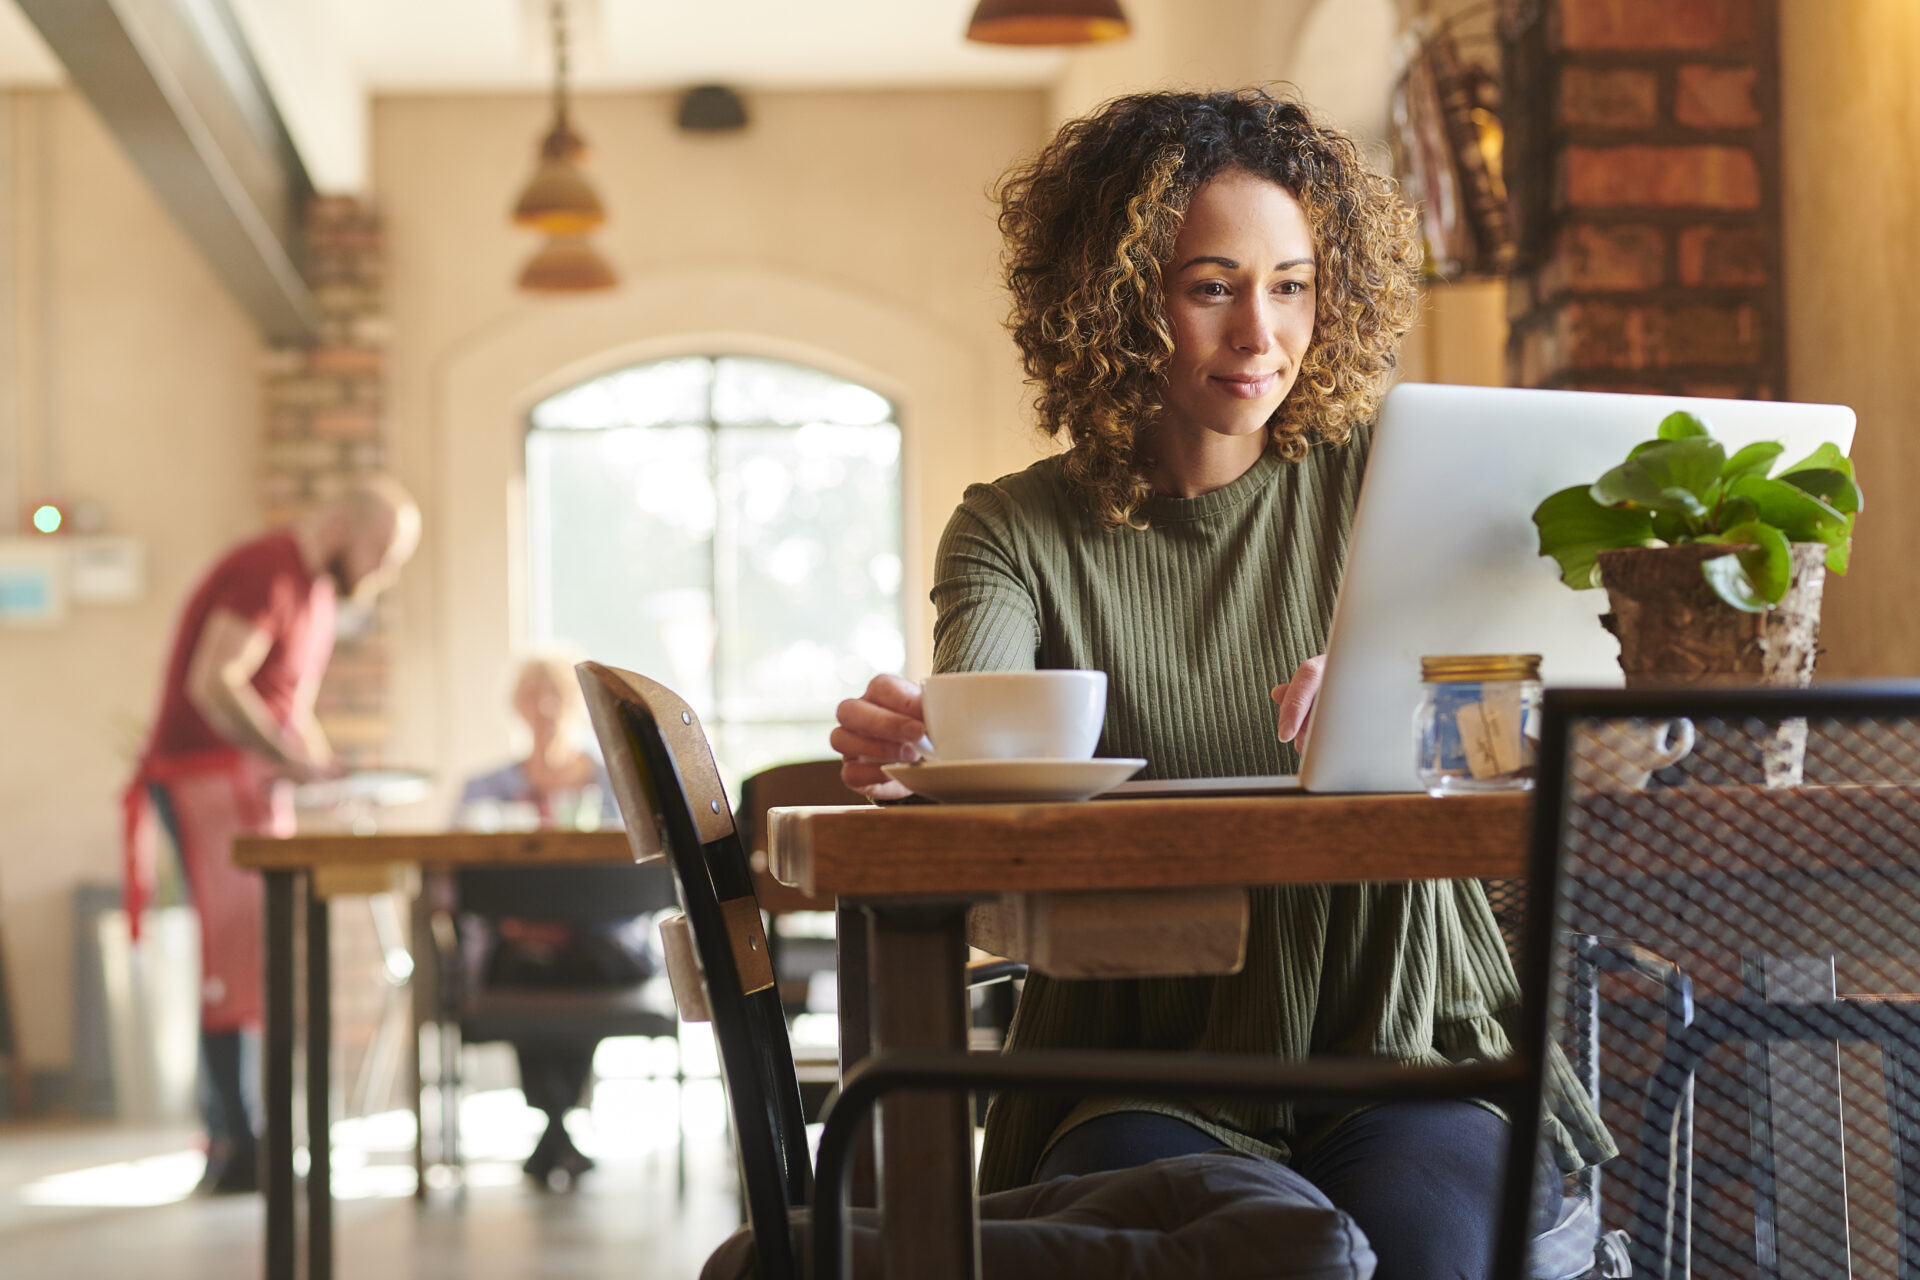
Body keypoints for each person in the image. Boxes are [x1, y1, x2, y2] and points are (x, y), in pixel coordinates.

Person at [830, 89, 1615, 1278]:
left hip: (1411, 1039)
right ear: (1116, 296)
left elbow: (1512, 748)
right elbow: (985, 748)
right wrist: (922, 750)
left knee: (1428, 1253)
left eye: (1292, 285)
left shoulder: (1395, 477)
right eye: (1213, 285)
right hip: (1138, 1057)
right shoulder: (1014, 530)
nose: (1262, 333)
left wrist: (1417, 692)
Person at [124, 473, 420, 1193]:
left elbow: (285, 707)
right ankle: (236, 1144)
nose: (382, 574)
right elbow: (215, 681)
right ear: (347, 525)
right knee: (234, 961)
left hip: (249, 785)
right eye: (382, 552)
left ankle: (250, 1135)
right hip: (203, 779)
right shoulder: (269, 569)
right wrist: (294, 759)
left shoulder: (315, 593)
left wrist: (320, 767)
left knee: (256, 961)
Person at [453, 653, 657, 1187]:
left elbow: (646, 878)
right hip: (517, 948)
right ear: (516, 706)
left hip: (600, 950)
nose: (545, 707)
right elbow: (454, 882)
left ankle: (553, 1127)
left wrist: (572, 925)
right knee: (532, 968)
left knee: (566, 969)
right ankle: (560, 1126)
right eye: (533, 693)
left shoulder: (619, 783)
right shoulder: (482, 790)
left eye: (557, 694)